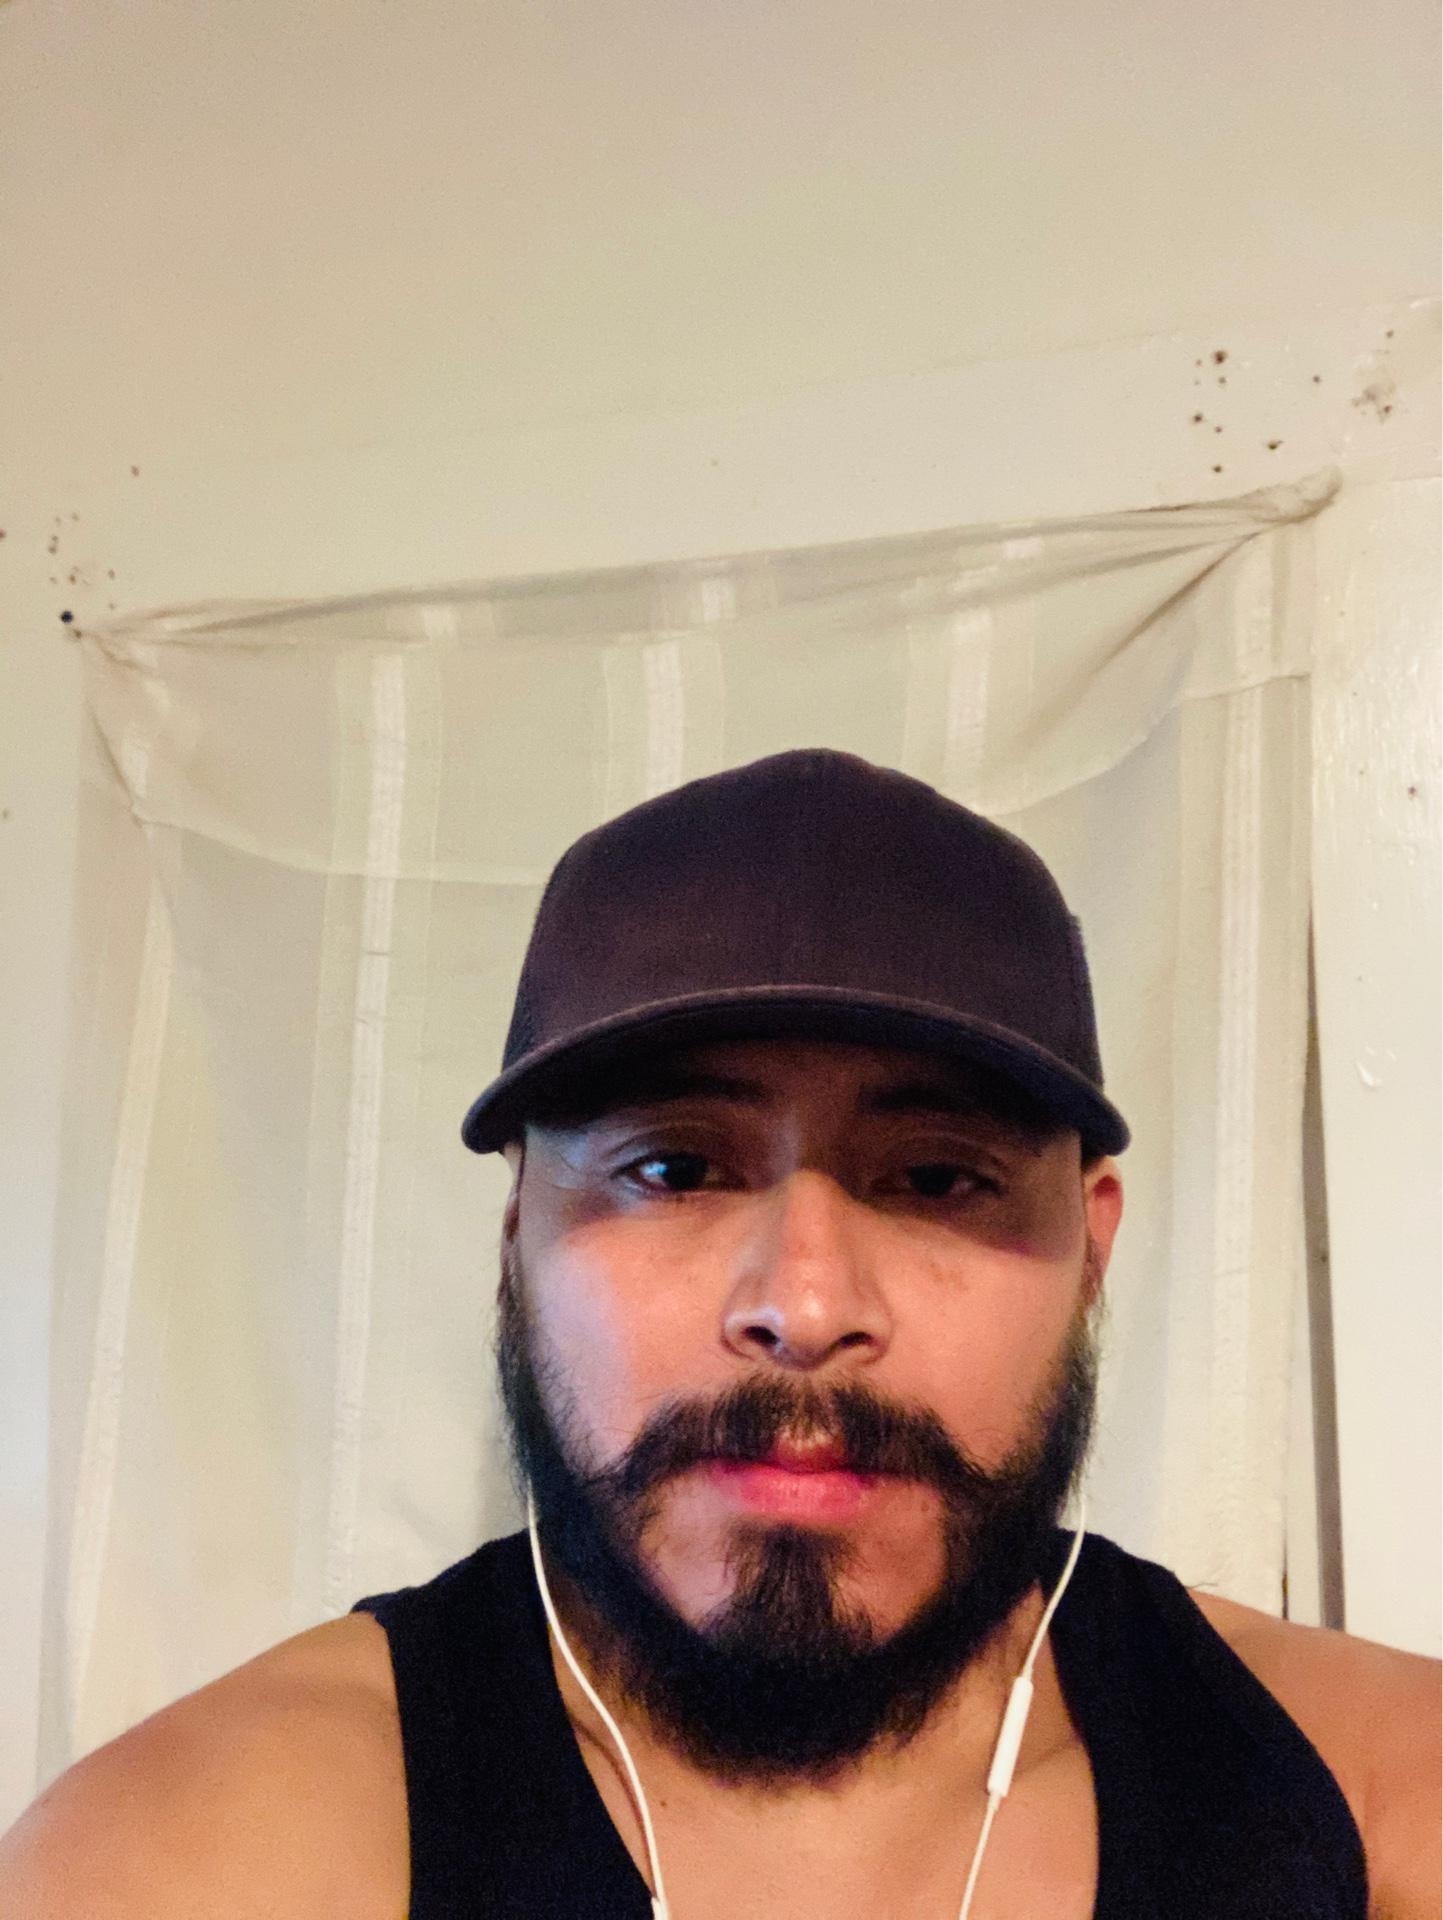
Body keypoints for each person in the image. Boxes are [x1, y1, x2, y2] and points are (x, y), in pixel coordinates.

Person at [2, 749, 1437, 1919]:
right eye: (674, 1168)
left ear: (1092, 1255)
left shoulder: (1384, 1801)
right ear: (516, 1240)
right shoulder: (190, 1855)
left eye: (939, 1179)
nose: (803, 1311)